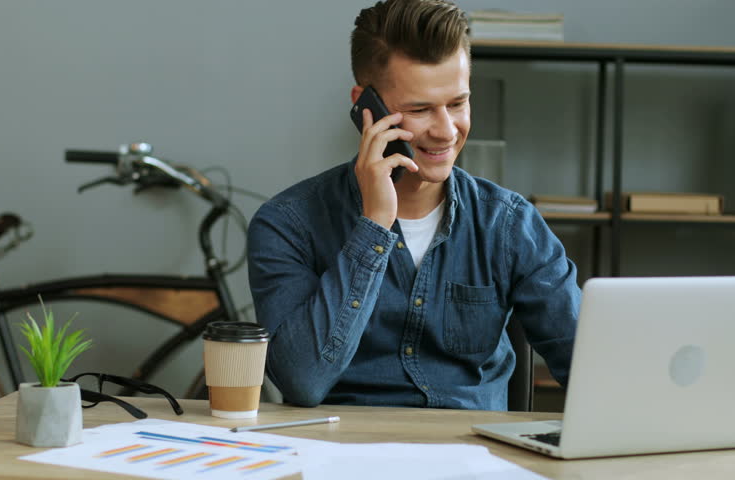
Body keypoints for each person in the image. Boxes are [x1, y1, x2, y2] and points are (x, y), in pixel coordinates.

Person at [247, 0, 579, 410]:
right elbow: (302, 381)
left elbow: (590, 365)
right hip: (346, 458)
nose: (445, 131)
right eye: (420, 109)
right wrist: (374, 225)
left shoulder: (508, 225)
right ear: (366, 107)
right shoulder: (288, 224)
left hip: (475, 462)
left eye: (457, 103)